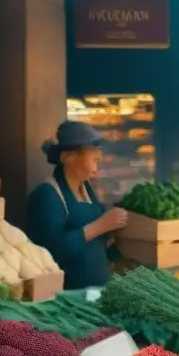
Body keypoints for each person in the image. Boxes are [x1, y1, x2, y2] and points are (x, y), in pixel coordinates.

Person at [26, 121, 126, 290]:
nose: (98, 156)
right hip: (66, 300)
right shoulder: (47, 195)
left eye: (97, 148)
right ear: (67, 157)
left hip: (96, 295)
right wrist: (101, 225)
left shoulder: (87, 188)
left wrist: (119, 258)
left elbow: (99, 241)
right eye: (91, 149)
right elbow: (51, 250)